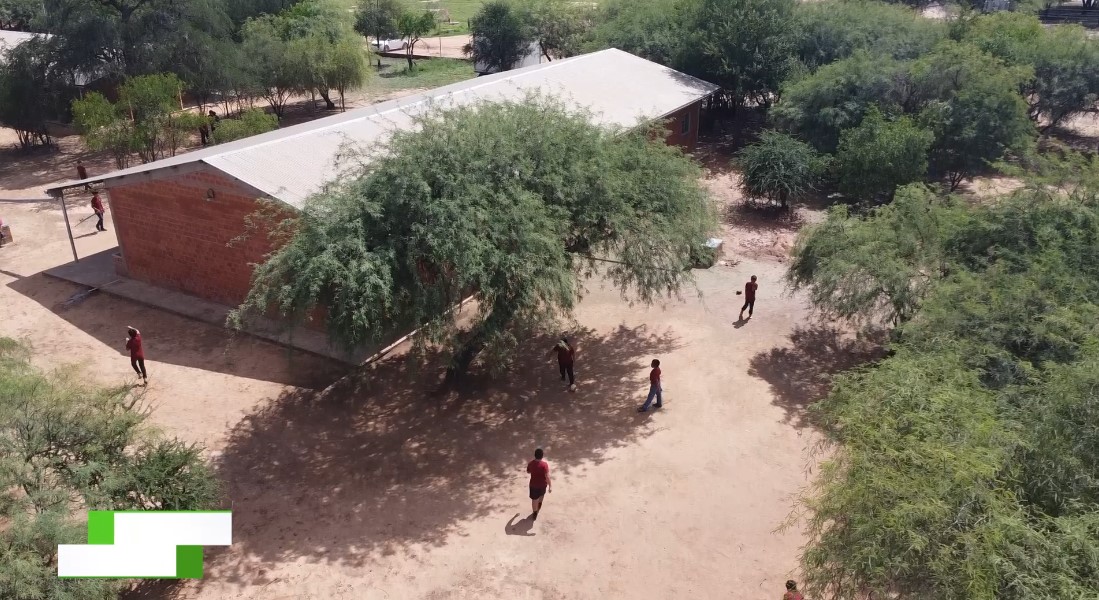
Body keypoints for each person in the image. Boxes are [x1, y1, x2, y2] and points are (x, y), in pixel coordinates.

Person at [527, 448, 551, 521]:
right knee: (541, 496)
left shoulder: (531, 463)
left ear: (535, 455)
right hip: (542, 485)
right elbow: (547, 476)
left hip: (533, 485)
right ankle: (539, 505)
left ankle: (535, 513)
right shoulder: (544, 465)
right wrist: (550, 486)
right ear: (542, 456)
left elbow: (528, 472)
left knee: (534, 500)